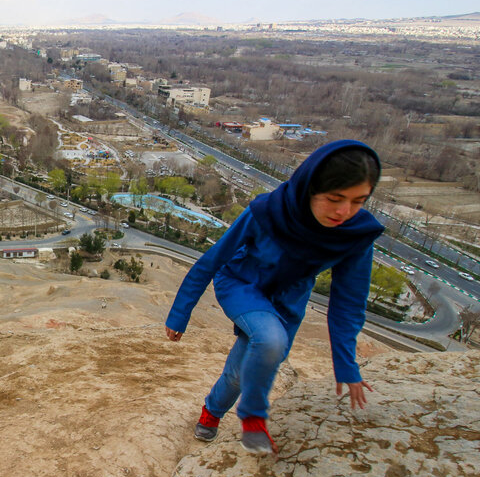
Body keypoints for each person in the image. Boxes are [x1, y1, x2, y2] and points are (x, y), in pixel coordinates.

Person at [165, 140, 384, 455]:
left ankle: (211, 411)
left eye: (358, 201)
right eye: (335, 198)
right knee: (270, 339)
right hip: (242, 283)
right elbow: (213, 260)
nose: (344, 212)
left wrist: (346, 363)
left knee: (245, 369)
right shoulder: (268, 211)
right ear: (309, 188)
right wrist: (179, 313)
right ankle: (253, 419)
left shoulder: (355, 234)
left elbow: (348, 303)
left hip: (288, 303)